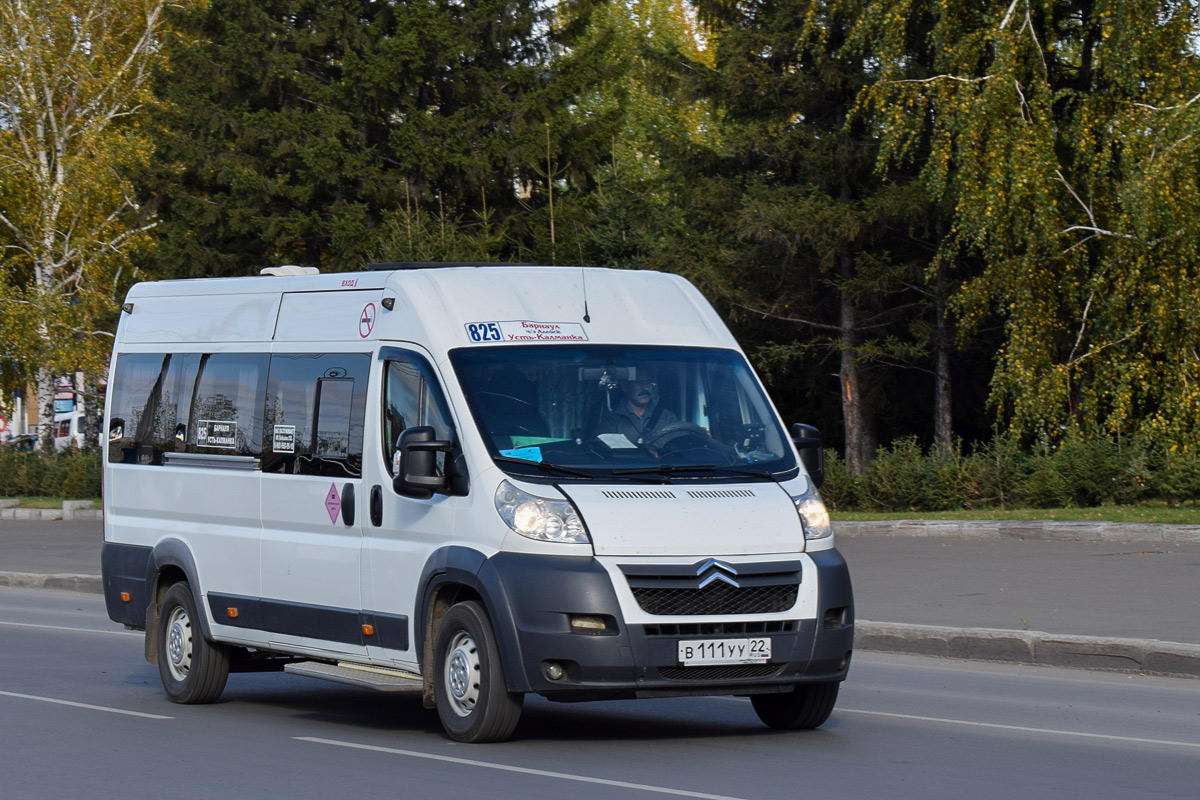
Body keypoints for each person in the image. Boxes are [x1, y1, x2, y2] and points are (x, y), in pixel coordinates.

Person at [597, 370, 679, 446]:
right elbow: (605, 452)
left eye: (648, 382)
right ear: (624, 386)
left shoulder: (668, 418)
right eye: (638, 382)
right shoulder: (611, 419)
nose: (644, 387)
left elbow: (680, 450)